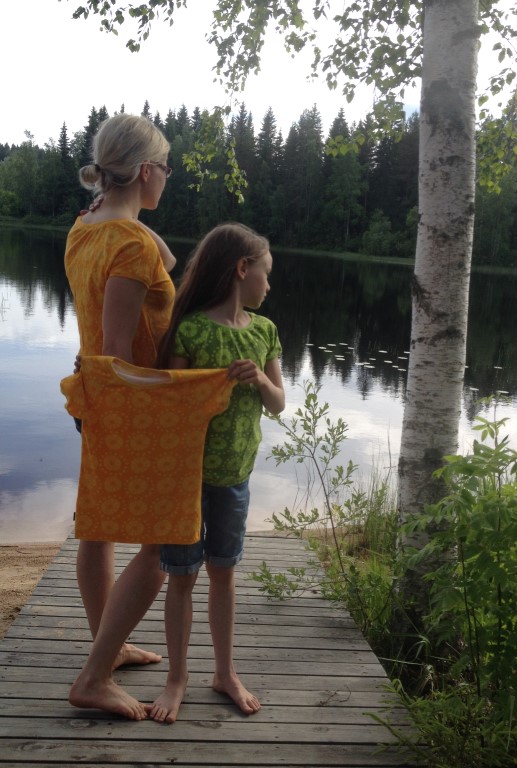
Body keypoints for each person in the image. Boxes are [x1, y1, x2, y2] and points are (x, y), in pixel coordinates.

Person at [149, 222, 286, 724]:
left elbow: (278, 404)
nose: (269, 285)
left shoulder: (265, 331)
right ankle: (177, 678)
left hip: (235, 478)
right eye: (266, 273)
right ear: (242, 269)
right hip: (185, 477)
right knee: (182, 577)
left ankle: (225, 673)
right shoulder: (190, 329)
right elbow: (169, 401)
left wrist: (259, 380)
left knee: (223, 574)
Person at [65, 113, 176, 720]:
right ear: (146, 169)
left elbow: (164, 260)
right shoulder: (129, 243)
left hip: (95, 398)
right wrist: (181, 394)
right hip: (131, 405)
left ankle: (109, 649)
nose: (170, 177)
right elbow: (117, 348)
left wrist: (133, 217)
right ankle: (94, 676)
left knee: (99, 529)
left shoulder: (85, 227)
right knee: (161, 545)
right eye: (166, 167)